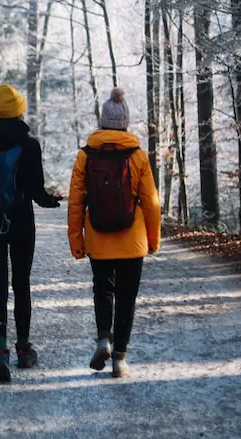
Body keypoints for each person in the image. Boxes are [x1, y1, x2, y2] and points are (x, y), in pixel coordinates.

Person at [0, 84, 62, 383]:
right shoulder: (29, 144)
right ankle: (23, 350)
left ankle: (0, 354)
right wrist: (49, 200)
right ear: (20, 110)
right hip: (22, 224)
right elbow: (36, 190)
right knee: (21, 285)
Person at [67, 88, 161, 379]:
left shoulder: (86, 155)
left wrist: (76, 241)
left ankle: (103, 339)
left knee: (102, 291)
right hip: (132, 240)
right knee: (127, 296)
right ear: (126, 122)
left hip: (98, 236)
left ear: (103, 121)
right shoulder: (138, 156)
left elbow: (75, 200)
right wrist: (153, 240)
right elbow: (151, 203)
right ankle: (120, 357)